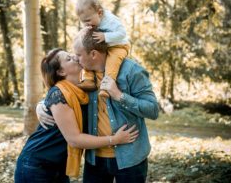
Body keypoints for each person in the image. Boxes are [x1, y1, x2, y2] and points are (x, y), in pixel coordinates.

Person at [37, 29, 159, 183]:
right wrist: (41, 104)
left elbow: (153, 110)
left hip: (130, 157)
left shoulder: (131, 71)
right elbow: (62, 94)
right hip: (95, 160)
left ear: (93, 54)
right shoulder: (84, 78)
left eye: (79, 55)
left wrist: (119, 95)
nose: (75, 58)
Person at [14, 48, 139, 183]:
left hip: (59, 167)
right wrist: (115, 139)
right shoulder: (59, 94)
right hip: (36, 165)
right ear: (61, 72)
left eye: (71, 54)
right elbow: (74, 139)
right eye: (68, 59)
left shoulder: (82, 92)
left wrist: (41, 103)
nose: (74, 57)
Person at [76, 0, 130, 98]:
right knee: (87, 55)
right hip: (105, 46)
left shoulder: (111, 21)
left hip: (118, 45)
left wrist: (105, 36)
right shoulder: (94, 20)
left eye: (88, 21)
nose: (86, 24)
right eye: (83, 22)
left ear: (100, 13)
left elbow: (122, 33)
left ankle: (107, 88)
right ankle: (88, 79)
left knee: (111, 63)